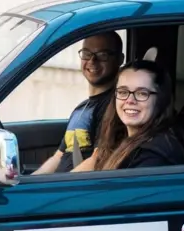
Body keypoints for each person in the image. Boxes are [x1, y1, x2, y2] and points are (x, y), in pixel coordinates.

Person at [72, 60, 184, 172]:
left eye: (141, 93)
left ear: (160, 100)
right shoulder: (120, 138)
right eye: (123, 92)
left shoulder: (154, 157)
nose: (130, 100)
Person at [32, 31, 124, 175]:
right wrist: (32, 183)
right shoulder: (81, 108)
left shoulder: (116, 107)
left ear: (119, 59)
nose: (92, 61)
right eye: (87, 53)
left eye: (102, 55)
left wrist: (61, 189)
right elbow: (59, 156)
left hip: (75, 191)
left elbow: (96, 160)